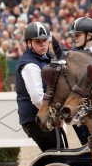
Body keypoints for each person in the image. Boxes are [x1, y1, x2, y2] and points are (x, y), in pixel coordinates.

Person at [15, 21, 63, 151]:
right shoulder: (30, 65)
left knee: (60, 151)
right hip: (35, 118)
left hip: (44, 114)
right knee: (55, 154)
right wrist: (55, 114)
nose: (43, 44)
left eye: (45, 41)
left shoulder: (47, 57)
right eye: (38, 42)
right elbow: (37, 98)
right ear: (29, 43)